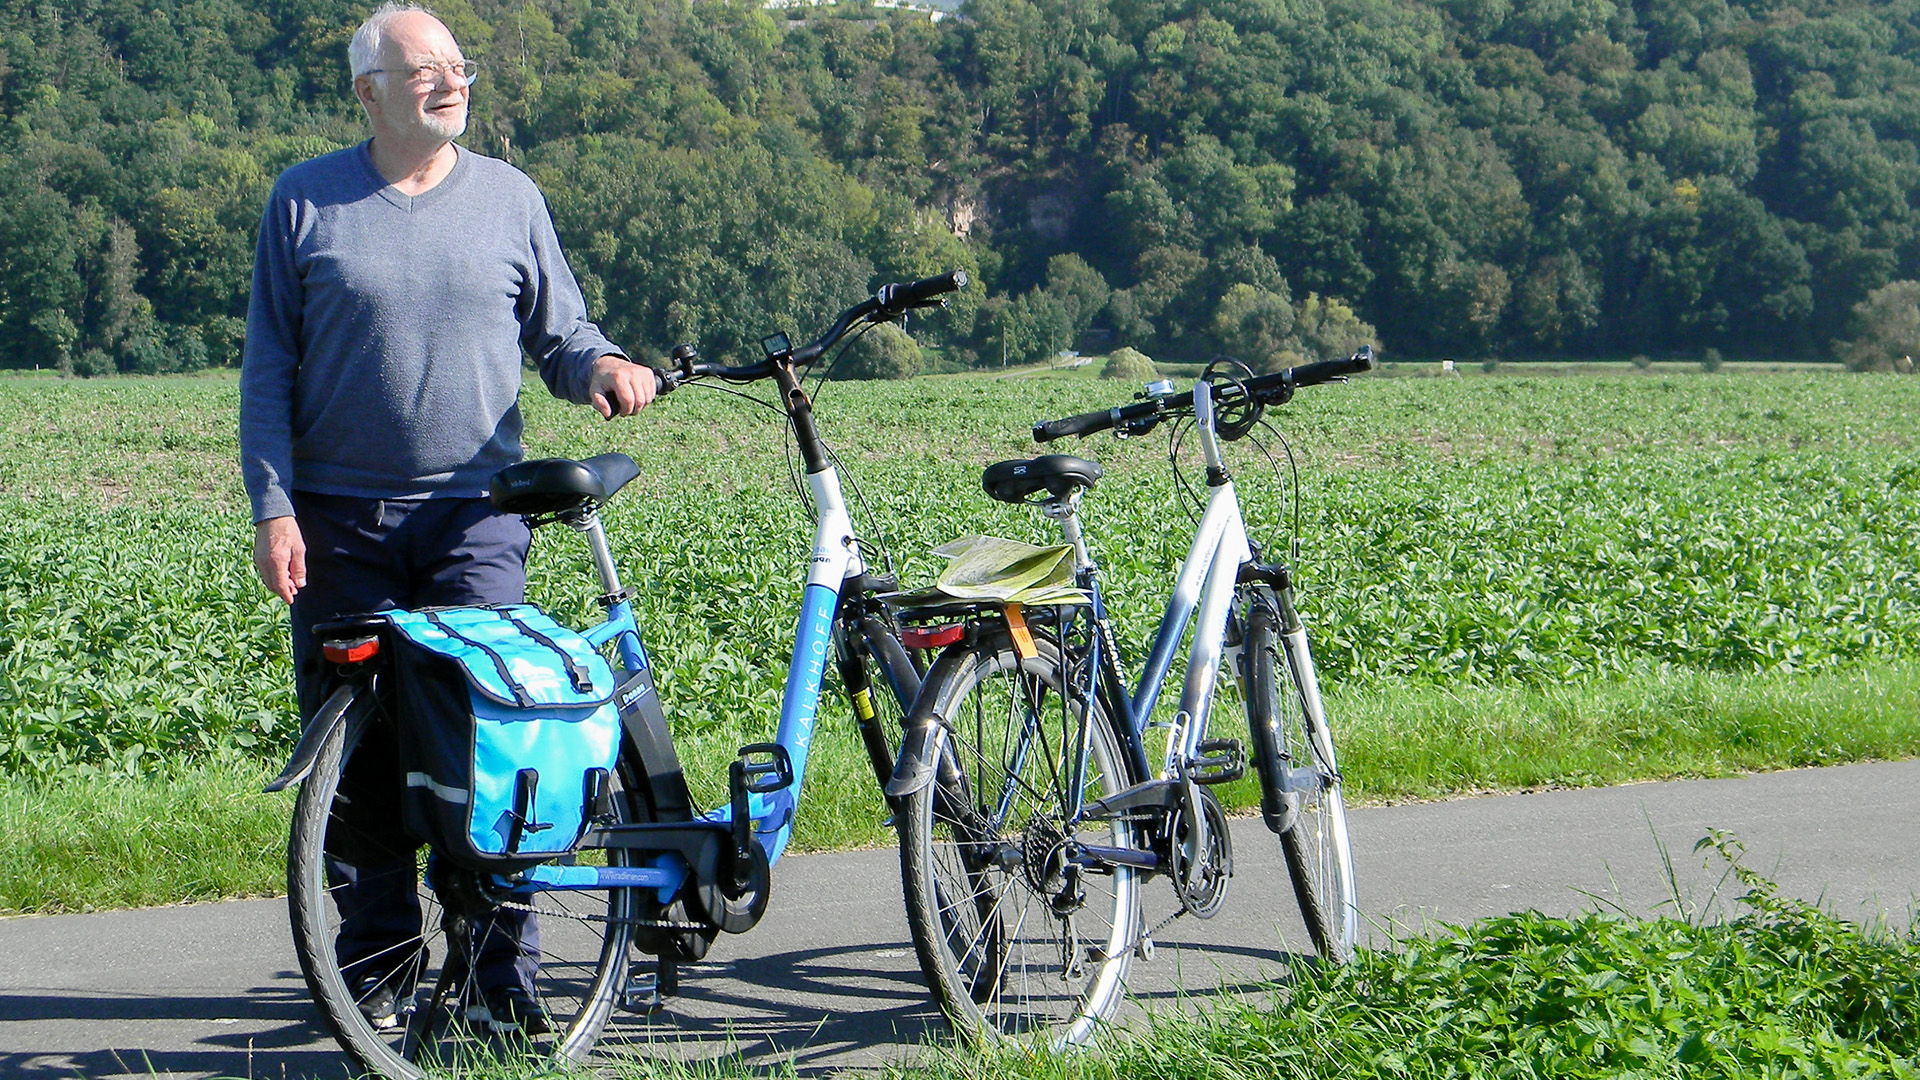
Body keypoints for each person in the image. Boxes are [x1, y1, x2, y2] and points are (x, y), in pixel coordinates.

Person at [238, 1, 658, 1033]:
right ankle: (377, 970)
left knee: (495, 746)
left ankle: (496, 981)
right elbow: (268, 371)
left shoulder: (510, 198)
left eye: (458, 65)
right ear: (368, 92)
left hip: (477, 516)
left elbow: (561, 332)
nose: (450, 81)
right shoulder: (305, 201)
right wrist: (273, 509)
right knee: (360, 763)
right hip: (338, 523)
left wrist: (601, 364)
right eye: (423, 68)